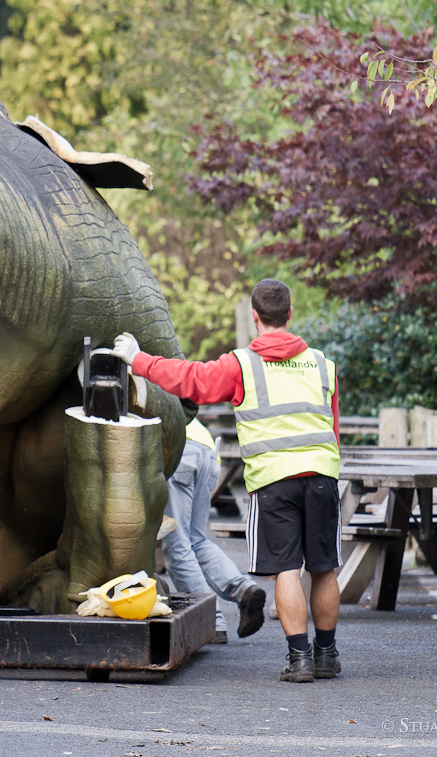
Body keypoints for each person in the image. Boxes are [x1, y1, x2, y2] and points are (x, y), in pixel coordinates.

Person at [112, 279, 341, 683]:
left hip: (274, 480)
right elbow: (333, 426)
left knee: (287, 568)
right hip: (322, 475)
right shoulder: (323, 364)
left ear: (255, 317)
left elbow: (191, 380)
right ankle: (326, 655)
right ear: (290, 314)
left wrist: (138, 359)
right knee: (323, 569)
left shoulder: (242, 365)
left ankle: (300, 660)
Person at [161, 418, 268, 644]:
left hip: (177, 447)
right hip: (208, 451)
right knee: (196, 541)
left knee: (177, 544)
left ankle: (210, 621)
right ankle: (243, 590)